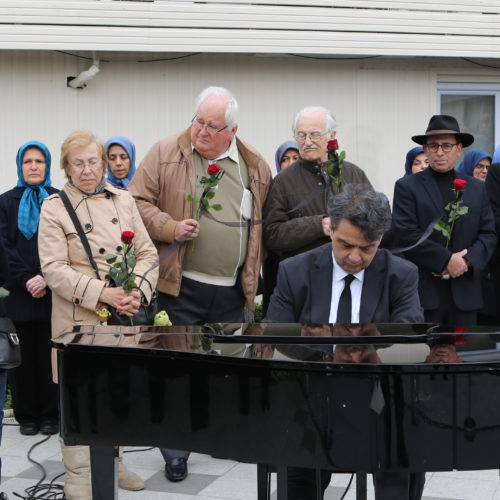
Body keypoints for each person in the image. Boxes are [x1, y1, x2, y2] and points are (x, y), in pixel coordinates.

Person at [128, 86, 271, 482]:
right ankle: (176, 451)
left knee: (228, 368)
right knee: (179, 368)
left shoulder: (254, 165)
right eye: (198, 121)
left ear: (232, 130)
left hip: (232, 289)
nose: (202, 131)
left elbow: (262, 226)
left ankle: (225, 437)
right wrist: (170, 226)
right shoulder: (164, 152)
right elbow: (135, 202)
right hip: (182, 285)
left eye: (213, 125)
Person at [38, 129, 159, 500]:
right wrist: (103, 294)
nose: (87, 170)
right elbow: (54, 268)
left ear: (103, 163)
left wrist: (135, 291)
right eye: (78, 164)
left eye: (93, 162)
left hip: (122, 316)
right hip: (78, 317)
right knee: (77, 396)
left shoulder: (124, 200)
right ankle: (77, 474)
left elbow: (148, 254)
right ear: (67, 168)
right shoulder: (54, 207)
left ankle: (115, 461)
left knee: (117, 389)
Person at [265, 184, 424, 324]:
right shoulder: (294, 272)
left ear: (380, 238)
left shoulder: (401, 276)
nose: (354, 257)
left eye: (366, 248)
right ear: (331, 231)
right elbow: (275, 336)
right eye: (346, 245)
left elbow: (404, 338)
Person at [392, 114, 497, 326]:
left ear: (459, 149)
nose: (439, 152)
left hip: (466, 294)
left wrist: (466, 261)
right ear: (426, 150)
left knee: (462, 356)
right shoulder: (407, 187)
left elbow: (488, 234)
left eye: (447, 146)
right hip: (424, 294)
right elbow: (406, 234)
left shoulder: (476, 188)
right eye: (433, 146)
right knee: (425, 356)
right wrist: (446, 260)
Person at [0, 141, 59, 436]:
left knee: (49, 355)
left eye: (39, 161)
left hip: (53, 292)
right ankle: (26, 416)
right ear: (20, 166)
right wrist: (27, 278)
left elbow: (66, 245)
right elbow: (4, 247)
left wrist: (46, 276)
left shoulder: (59, 199)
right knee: (22, 359)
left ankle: (51, 414)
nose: (34, 166)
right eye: (28, 162)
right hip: (19, 294)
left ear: (47, 165)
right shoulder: (5, 201)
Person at [263, 106, 372, 259]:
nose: (307, 142)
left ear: (331, 135)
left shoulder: (354, 174)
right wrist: (318, 225)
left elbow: (377, 221)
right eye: (301, 135)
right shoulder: (282, 181)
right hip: (304, 275)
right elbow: (271, 234)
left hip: (350, 268)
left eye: (314, 135)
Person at [262, 140, 300, 315]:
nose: (290, 163)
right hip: (276, 262)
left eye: (295, 158)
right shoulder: (272, 188)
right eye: (285, 159)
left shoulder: (314, 190)